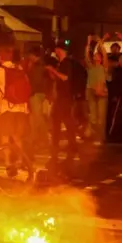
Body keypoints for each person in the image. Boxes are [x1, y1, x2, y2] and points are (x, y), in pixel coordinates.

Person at [0, 47, 30, 171]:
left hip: (7, 108)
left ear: (0, 58)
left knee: (5, 136)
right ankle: (20, 161)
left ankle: (7, 162)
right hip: (21, 109)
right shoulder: (20, 70)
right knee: (17, 137)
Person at [47, 42, 77, 171]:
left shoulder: (66, 64)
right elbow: (59, 79)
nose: (55, 52)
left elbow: (65, 78)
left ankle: (67, 148)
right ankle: (67, 148)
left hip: (64, 99)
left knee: (61, 123)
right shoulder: (62, 64)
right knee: (60, 123)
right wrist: (52, 74)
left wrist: (52, 70)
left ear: (60, 50)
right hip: (61, 98)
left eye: (57, 49)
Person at [84, 34, 110, 145]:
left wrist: (101, 41)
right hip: (91, 90)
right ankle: (93, 134)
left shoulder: (104, 66)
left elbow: (104, 54)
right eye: (95, 55)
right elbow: (86, 55)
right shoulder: (90, 66)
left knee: (101, 117)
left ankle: (100, 138)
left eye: (97, 55)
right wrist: (88, 43)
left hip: (101, 90)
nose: (96, 56)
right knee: (93, 117)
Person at [26, 46, 48, 148]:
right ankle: (36, 138)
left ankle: (42, 139)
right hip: (38, 92)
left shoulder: (38, 66)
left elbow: (35, 80)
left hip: (36, 93)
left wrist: (31, 91)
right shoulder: (39, 65)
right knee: (35, 117)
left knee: (37, 117)